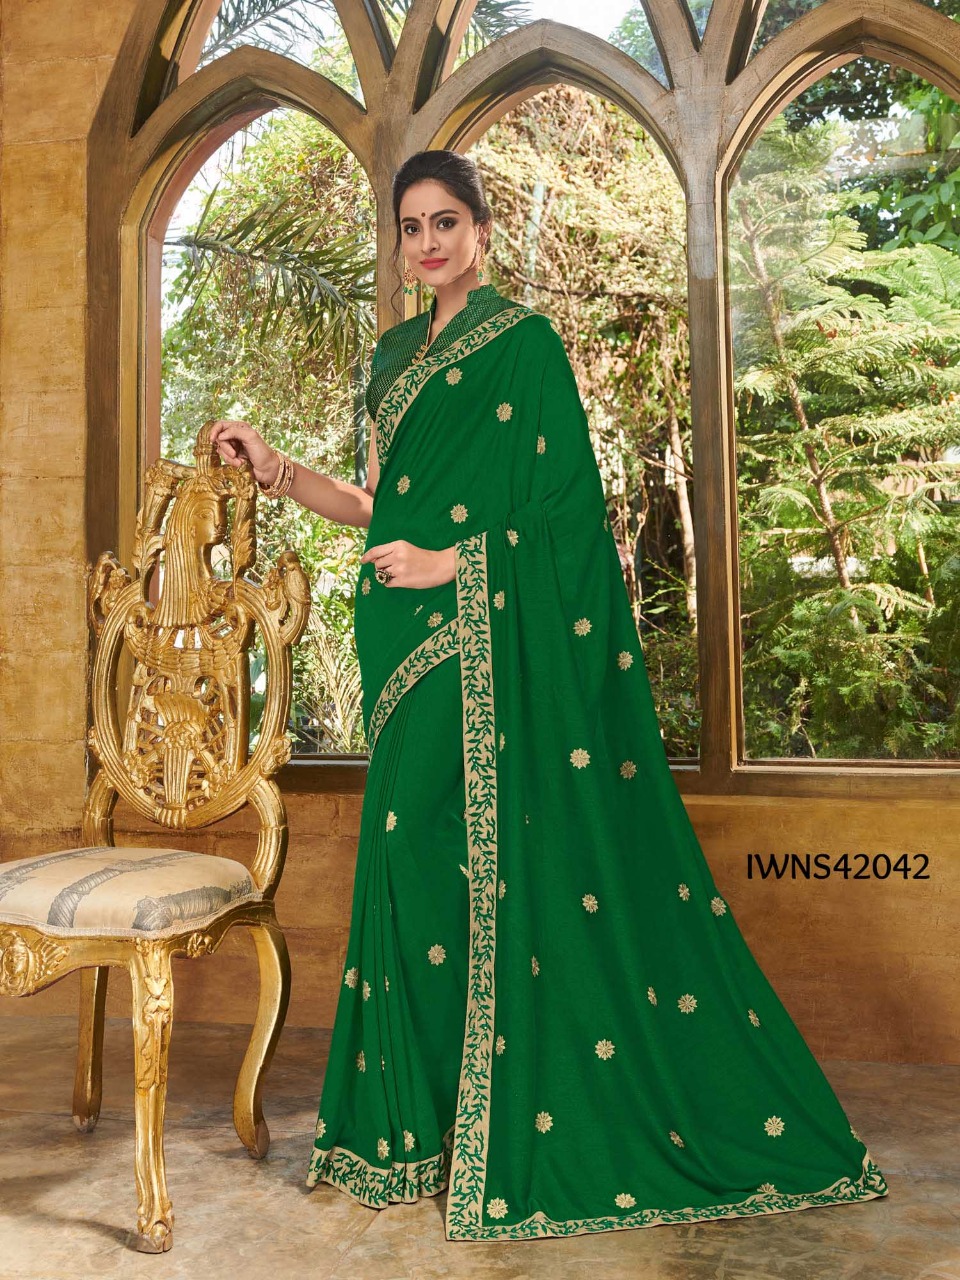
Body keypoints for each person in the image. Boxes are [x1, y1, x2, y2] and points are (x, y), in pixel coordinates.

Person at [210, 149, 888, 1242]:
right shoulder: (392, 356)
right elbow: (379, 500)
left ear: (481, 232)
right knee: (414, 868)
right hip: (400, 640)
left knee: (445, 857)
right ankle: (425, 1126)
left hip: (477, 628)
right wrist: (277, 467)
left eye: (446, 222)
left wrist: (455, 563)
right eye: (411, 227)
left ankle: (494, 1113)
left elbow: (569, 516)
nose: (428, 243)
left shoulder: (523, 345)